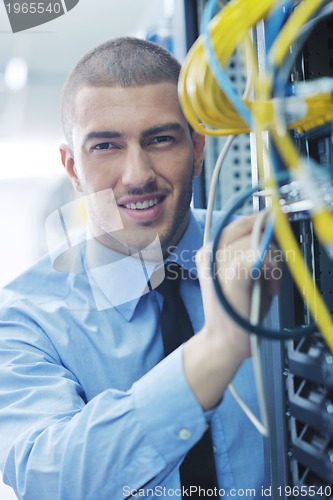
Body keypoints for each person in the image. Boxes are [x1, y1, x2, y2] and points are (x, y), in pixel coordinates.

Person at [0, 37, 279, 499]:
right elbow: (50, 478)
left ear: (198, 148)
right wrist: (215, 351)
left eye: (160, 139)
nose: (137, 175)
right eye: (106, 146)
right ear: (72, 167)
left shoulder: (270, 253)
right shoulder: (23, 317)